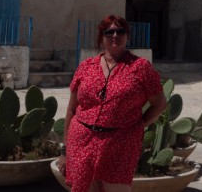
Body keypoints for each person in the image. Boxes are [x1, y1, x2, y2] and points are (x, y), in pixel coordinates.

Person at [64, 15, 167, 192]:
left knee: (117, 188)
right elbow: (72, 109)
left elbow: (160, 104)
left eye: (120, 31)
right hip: (82, 141)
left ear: (127, 36)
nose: (115, 35)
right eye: (109, 32)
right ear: (101, 37)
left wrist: (139, 125)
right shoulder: (86, 67)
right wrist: (64, 151)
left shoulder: (141, 67)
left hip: (120, 143)